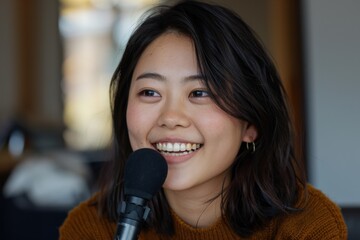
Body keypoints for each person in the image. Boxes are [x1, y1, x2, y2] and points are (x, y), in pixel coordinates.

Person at [59, 0, 347, 239]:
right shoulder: (90, 229)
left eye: (199, 92)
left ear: (251, 123)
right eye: (149, 92)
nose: (171, 118)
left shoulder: (308, 227)